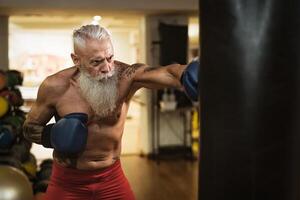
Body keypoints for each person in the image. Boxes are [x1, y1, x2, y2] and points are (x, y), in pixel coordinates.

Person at [23, 24, 198, 200]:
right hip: (67, 182)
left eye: (110, 57)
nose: (107, 68)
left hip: (111, 180)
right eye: (96, 61)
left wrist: (187, 72)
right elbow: (29, 128)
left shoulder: (126, 76)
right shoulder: (55, 86)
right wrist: (52, 135)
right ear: (76, 60)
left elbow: (168, 73)